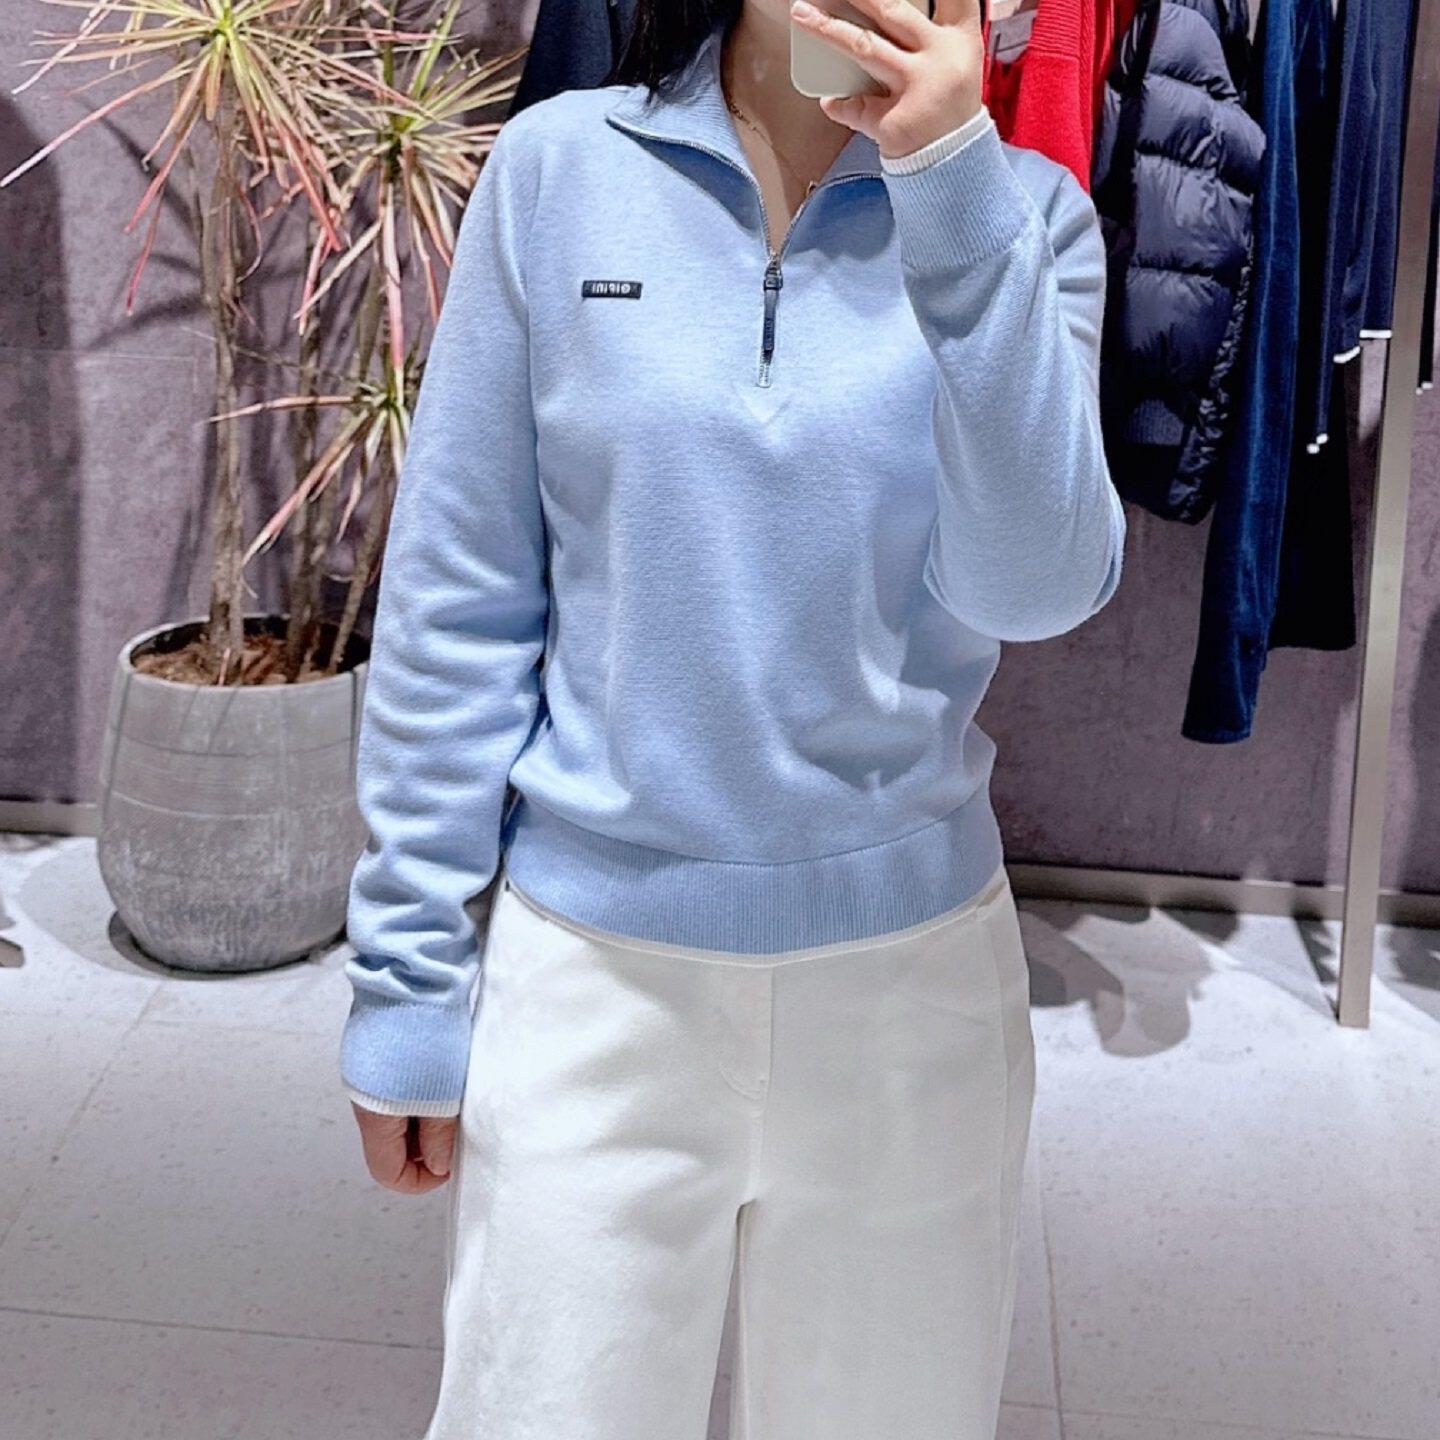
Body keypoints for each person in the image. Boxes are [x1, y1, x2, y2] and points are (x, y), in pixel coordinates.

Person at [340, 0, 1125, 1435]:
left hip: (911, 994)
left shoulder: (1027, 216)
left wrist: (950, 186)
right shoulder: (558, 171)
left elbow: (1041, 585)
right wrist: (408, 972)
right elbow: (460, 599)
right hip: (592, 979)